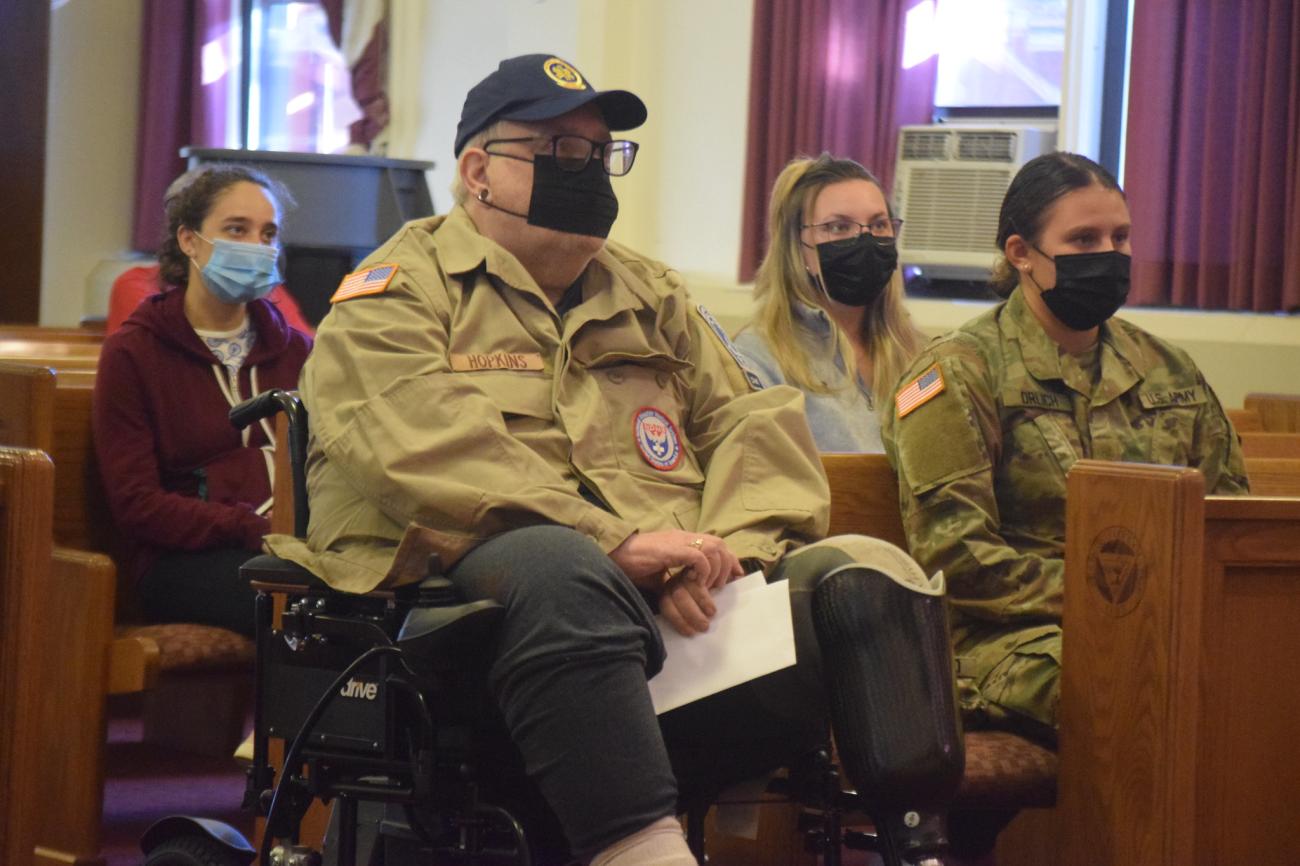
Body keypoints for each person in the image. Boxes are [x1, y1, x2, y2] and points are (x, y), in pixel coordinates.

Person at [267, 54, 962, 866]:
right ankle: (642, 851)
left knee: (868, 573)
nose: (589, 172)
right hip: (452, 606)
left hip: (676, 607)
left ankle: (916, 849)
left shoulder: (651, 292)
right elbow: (426, 446)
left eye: (601, 155)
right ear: (478, 171)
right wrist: (618, 545)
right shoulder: (397, 290)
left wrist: (721, 555)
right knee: (563, 563)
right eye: (560, 152)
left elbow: (754, 423)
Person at [881, 151, 1249, 746]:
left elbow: (1229, 519)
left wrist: (1162, 611)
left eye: (1120, 236)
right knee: (1130, 679)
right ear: (1021, 253)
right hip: (1003, 642)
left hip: (1158, 625)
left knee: (1254, 670)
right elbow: (958, 558)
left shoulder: (1167, 369)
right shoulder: (957, 373)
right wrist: (1125, 603)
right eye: (1083, 239)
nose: (1108, 253)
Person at [93, 164, 313, 637]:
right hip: (183, 562)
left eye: (267, 233)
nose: (256, 246)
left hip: (294, 549)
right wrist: (249, 529)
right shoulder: (135, 352)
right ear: (189, 240)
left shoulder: (296, 350)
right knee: (304, 600)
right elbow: (137, 504)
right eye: (237, 229)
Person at [733, 154, 925, 452]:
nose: (864, 240)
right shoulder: (759, 359)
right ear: (798, 247)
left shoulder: (916, 354)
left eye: (878, 225)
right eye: (838, 228)